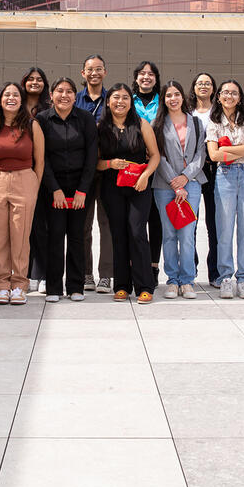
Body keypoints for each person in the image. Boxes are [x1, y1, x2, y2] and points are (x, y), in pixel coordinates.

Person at [97, 83, 161, 303]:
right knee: (118, 234)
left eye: (125, 98)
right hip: (111, 187)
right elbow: (94, 163)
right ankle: (122, 285)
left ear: (130, 102)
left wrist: (145, 176)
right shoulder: (101, 127)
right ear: (108, 101)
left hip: (138, 187)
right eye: (116, 97)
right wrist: (109, 164)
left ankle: (145, 285)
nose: (120, 102)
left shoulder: (141, 124)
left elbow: (154, 156)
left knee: (137, 232)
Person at [0, 82, 45, 304]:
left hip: (24, 179)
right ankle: (2, 284)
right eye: (6, 94)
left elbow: (40, 160)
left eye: (15, 94)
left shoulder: (31, 125)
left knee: (20, 236)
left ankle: (19, 284)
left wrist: (34, 186)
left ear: (21, 99)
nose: (11, 98)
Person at [37, 78, 98, 302]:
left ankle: (76, 286)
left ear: (75, 95)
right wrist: (54, 189)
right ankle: (53, 287)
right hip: (52, 189)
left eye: (70, 91)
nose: (65, 95)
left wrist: (83, 190)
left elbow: (92, 156)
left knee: (77, 237)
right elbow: (40, 157)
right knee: (53, 236)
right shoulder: (42, 119)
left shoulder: (85, 119)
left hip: (81, 188)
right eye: (60, 91)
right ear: (51, 95)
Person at [152, 80, 207, 299]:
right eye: (168, 96)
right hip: (164, 185)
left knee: (187, 234)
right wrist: (175, 181)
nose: (173, 99)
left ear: (183, 97)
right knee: (168, 234)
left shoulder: (195, 122)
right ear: (163, 99)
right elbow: (158, 155)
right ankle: (172, 280)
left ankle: (187, 280)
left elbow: (201, 153)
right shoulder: (158, 124)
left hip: (191, 184)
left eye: (176, 94)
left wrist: (185, 178)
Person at [206, 79, 244, 299]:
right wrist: (242, 149)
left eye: (234, 93)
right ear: (218, 96)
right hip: (224, 177)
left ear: (240, 97)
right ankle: (226, 277)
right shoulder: (213, 121)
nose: (229, 96)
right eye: (225, 92)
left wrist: (227, 148)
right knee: (224, 230)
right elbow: (213, 155)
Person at [76, 54, 110, 292]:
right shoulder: (75, 99)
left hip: (108, 170)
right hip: (82, 171)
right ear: (83, 73)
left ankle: (106, 274)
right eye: (90, 69)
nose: (94, 73)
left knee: (107, 223)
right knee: (82, 225)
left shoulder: (115, 99)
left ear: (105, 73)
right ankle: (86, 273)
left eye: (99, 69)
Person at [19, 66, 51, 291]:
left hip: (44, 171)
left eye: (39, 79)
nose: (35, 82)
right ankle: (26, 273)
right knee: (23, 227)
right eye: (30, 79)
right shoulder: (16, 107)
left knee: (41, 225)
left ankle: (43, 273)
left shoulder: (49, 108)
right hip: (19, 171)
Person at [132, 61, 163, 283]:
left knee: (156, 219)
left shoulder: (163, 101)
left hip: (160, 166)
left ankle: (153, 265)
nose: (146, 77)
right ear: (135, 78)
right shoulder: (127, 100)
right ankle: (135, 264)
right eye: (142, 73)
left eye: (150, 74)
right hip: (134, 168)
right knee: (136, 220)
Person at [188, 72, 220, 287]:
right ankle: (191, 268)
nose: (204, 86)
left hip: (215, 169)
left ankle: (215, 272)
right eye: (200, 83)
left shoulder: (219, 112)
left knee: (214, 223)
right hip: (191, 171)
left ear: (213, 88)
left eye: (208, 83)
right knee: (190, 222)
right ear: (194, 87)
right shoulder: (187, 112)